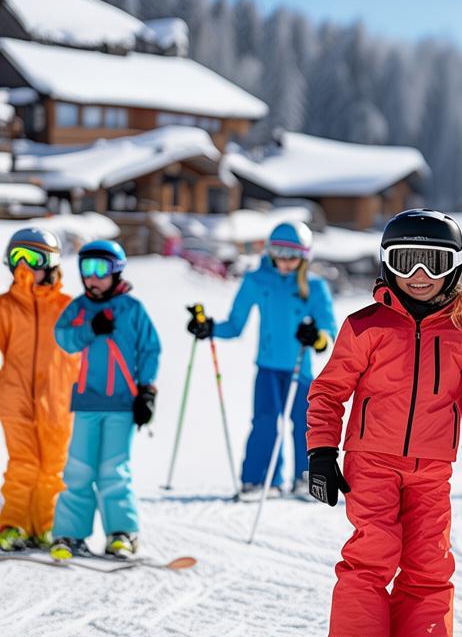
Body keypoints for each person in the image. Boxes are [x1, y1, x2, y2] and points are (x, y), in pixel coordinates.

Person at [306, 209, 462, 637]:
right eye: (407, 262)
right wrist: (321, 452)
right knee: (374, 548)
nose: (420, 276)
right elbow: (328, 392)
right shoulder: (365, 326)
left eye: (433, 262)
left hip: (433, 466)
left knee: (430, 554)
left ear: (455, 266)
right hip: (370, 459)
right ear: (388, 265)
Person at [187, 220, 336, 497]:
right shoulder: (256, 280)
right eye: (279, 252)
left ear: (305, 257)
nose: (285, 261)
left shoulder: (315, 287)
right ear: (269, 251)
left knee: (305, 423)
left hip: (299, 369)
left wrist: (316, 336)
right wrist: (209, 328)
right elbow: (234, 325)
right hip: (267, 368)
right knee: (265, 422)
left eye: (293, 255)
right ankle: (261, 480)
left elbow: (329, 331)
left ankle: (306, 478)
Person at [49, 240, 161, 560]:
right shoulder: (79, 309)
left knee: (114, 471)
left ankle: (121, 533)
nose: (92, 278)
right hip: (86, 403)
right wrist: (89, 329)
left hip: (122, 405)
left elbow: (150, 350)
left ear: (116, 271)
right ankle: (69, 534)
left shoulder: (132, 309)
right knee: (79, 470)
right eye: (86, 269)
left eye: (100, 270)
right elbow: (64, 339)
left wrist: (147, 392)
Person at [0, 229, 79, 552]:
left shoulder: (69, 308)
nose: (25, 266)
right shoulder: (5, 307)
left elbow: (90, 350)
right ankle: (13, 524)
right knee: (23, 462)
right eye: (17, 257)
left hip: (59, 399)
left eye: (32, 259)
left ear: (51, 264)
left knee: (52, 465)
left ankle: (45, 525)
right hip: (14, 395)